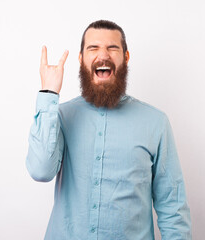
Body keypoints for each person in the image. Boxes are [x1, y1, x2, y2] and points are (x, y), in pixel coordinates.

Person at [26, 20, 192, 240]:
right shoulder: (61, 116)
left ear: (126, 57)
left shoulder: (155, 122)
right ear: (80, 59)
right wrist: (49, 93)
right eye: (93, 48)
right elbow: (40, 170)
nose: (102, 55)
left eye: (112, 48)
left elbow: (173, 208)